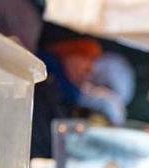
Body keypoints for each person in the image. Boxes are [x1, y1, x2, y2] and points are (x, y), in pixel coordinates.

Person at [31, 25, 104, 158]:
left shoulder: (65, 99)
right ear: (63, 53)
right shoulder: (41, 89)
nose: (90, 69)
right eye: (84, 57)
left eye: (92, 61)